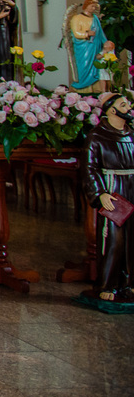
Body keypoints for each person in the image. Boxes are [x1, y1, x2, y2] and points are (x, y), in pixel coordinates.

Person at [81, 92, 134, 303]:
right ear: (112, 110)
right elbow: (89, 168)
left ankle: (129, 284)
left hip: (132, 186)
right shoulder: (97, 136)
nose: (129, 107)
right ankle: (108, 284)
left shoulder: (131, 134)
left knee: (133, 240)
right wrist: (100, 193)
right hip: (113, 192)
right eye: (124, 104)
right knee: (114, 240)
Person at [65, 0, 115, 93]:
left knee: (97, 66)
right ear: (86, 6)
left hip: (96, 46)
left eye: (94, 7)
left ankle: (96, 87)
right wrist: (87, 34)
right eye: (92, 6)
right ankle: (83, 86)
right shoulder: (77, 18)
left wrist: (106, 43)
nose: (93, 8)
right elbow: (76, 33)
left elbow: (100, 33)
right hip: (84, 47)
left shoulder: (95, 18)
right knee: (85, 65)